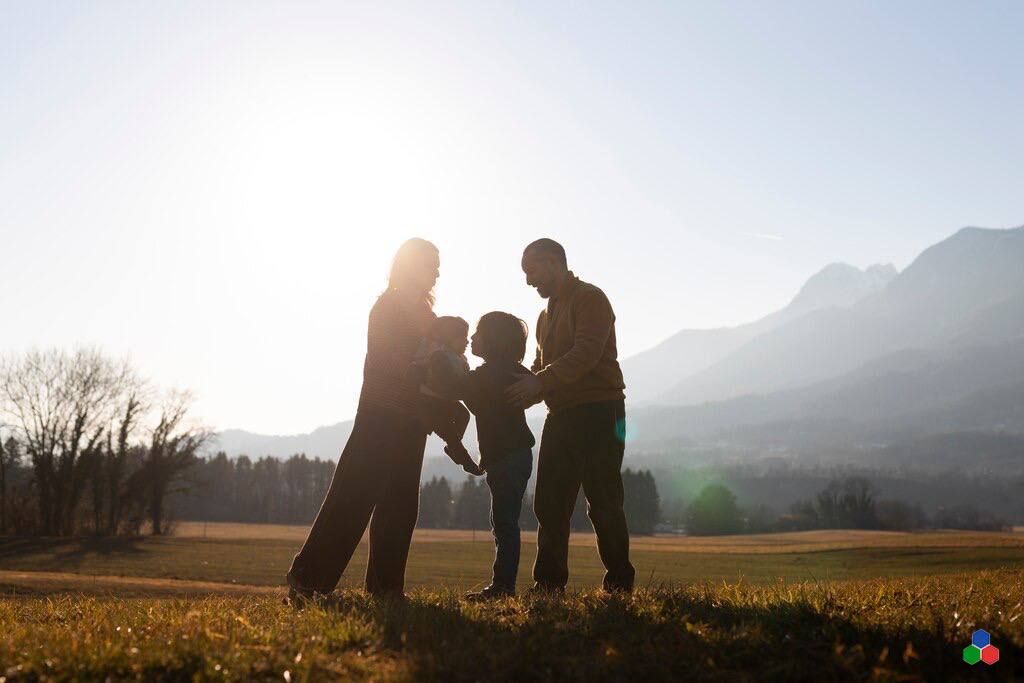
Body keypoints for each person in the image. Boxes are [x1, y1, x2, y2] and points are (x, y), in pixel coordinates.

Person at [286, 238, 443, 602]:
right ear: (409, 266)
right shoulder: (387, 307)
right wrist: (425, 368)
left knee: (400, 503)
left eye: (438, 267)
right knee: (352, 496)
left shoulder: (428, 315)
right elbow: (386, 358)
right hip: (380, 415)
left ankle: (386, 588)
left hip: (413, 420)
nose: (436, 273)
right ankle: (307, 580)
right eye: (430, 265)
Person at [505, 238, 636, 593]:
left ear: (553, 262)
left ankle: (619, 584)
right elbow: (541, 367)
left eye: (531, 271)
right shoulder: (545, 316)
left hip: (599, 411)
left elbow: (586, 353)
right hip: (561, 413)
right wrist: (521, 390)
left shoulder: (590, 298)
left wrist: (539, 382)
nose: (528, 281)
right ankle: (548, 585)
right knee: (550, 502)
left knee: (603, 500)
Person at [431, 311, 536, 599]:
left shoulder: (488, 375)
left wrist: (436, 357)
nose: (472, 339)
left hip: (506, 458)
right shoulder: (509, 370)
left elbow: (452, 386)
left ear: (493, 339)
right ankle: (502, 585)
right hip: (514, 455)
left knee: (504, 524)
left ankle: (503, 587)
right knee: (504, 521)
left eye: (477, 333)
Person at [416, 316, 482, 476]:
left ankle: (453, 448)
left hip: (445, 401)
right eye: (462, 338)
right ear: (449, 338)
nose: (467, 342)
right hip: (431, 402)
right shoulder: (440, 356)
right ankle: (462, 456)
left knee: (463, 415)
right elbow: (444, 382)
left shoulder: (458, 358)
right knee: (449, 431)